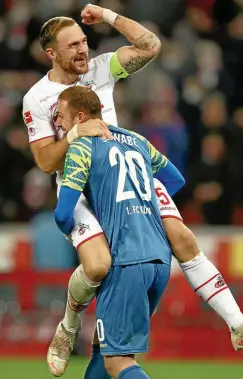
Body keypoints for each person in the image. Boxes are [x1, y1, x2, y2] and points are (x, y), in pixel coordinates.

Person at [22, 4, 243, 376]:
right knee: (98, 265)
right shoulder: (37, 98)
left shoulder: (100, 69)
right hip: (81, 182)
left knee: (183, 237)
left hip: (126, 170)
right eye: (72, 45)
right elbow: (45, 162)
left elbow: (150, 45)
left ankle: (236, 321)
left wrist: (108, 16)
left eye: (84, 41)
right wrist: (76, 133)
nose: (82, 50)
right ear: (52, 54)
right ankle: (68, 328)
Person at [55, 85, 173, 379]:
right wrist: (140, 204)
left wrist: (82, 233)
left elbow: (62, 214)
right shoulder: (137, 140)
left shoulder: (82, 146)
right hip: (160, 259)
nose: (57, 122)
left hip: (127, 261)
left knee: (118, 363)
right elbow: (175, 179)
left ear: (79, 117)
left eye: (61, 116)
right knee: (104, 348)